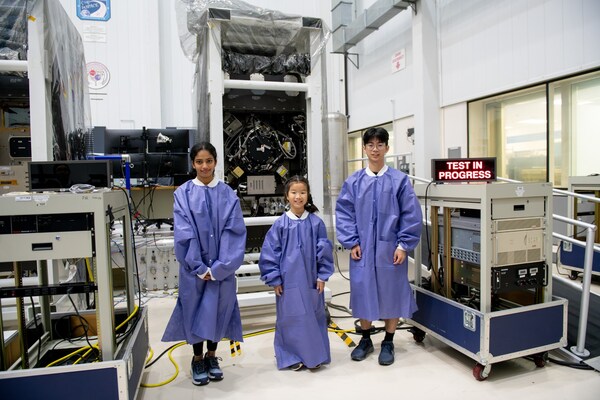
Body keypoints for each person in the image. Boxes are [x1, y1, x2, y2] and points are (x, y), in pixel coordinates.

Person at [335, 127, 422, 366]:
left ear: (387, 148)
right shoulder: (354, 182)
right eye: (370, 145)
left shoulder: (399, 181)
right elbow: (344, 214)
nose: (375, 149)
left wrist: (404, 245)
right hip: (362, 250)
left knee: (391, 292)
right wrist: (351, 241)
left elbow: (411, 215)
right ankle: (365, 339)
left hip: (390, 249)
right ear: (364, 148)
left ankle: (389, 341)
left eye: (379, 144)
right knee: (363, 292)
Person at [162, 142, 247, 386]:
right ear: (193, 164)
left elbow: (234, 231)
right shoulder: (183, 194)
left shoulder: (228, 194)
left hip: (222, 270)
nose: (204, 166)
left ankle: (212, 356)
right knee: (195, 310)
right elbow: (184, 232)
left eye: (209, 161)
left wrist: (220, 268)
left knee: (219, 310)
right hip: (193, 271)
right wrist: (199, 268)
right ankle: (197, 358)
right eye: (199, 162)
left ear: (216, 162)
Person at [259, 175, 334, 371]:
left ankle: (314, 355)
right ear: (286, 196)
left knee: (312, 316)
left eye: (302, 192)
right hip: (287, 282)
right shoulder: (280, 225)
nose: (298, 197)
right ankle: (290, 356)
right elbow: (270, 253)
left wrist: (322, 276)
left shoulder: (316, 224)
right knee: (289, 318)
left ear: (308, 195)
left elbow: (324, 250)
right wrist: (274, 279)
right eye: (294, 192)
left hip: (311, 281)